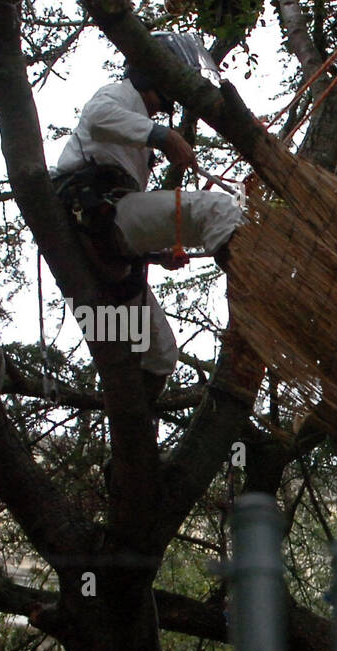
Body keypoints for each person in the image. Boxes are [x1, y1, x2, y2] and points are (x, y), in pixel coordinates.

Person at [51, 31, 246, 404]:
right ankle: (251, 293)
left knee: (160, 355)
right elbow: (96, 117)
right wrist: (164, 137)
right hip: (96, 216)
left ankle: (132, 434)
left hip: (110, 235)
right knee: (218, 208)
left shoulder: (135, 119)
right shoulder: (119, 94)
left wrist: (155, 255)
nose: (167, 102)